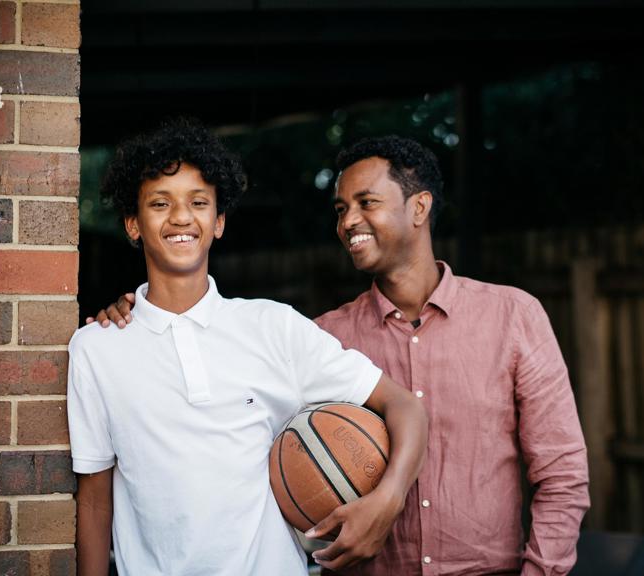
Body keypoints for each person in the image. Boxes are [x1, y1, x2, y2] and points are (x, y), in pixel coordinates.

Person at [93, 135, 590, 575]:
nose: (349, 220)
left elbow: (563, 477)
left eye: (366, 202)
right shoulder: (320, 335)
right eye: (339, 209)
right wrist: (132, 317)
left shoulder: (513, 318)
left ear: (419, 208)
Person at [70, 118, 428, 576]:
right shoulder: (96, 349)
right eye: (160, 204)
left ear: (218, 222)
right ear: (132, 224)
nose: (181, 217)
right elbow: (95, 503)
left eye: (199, 203)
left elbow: (405, 407)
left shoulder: (273, 327)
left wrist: (387, 500)